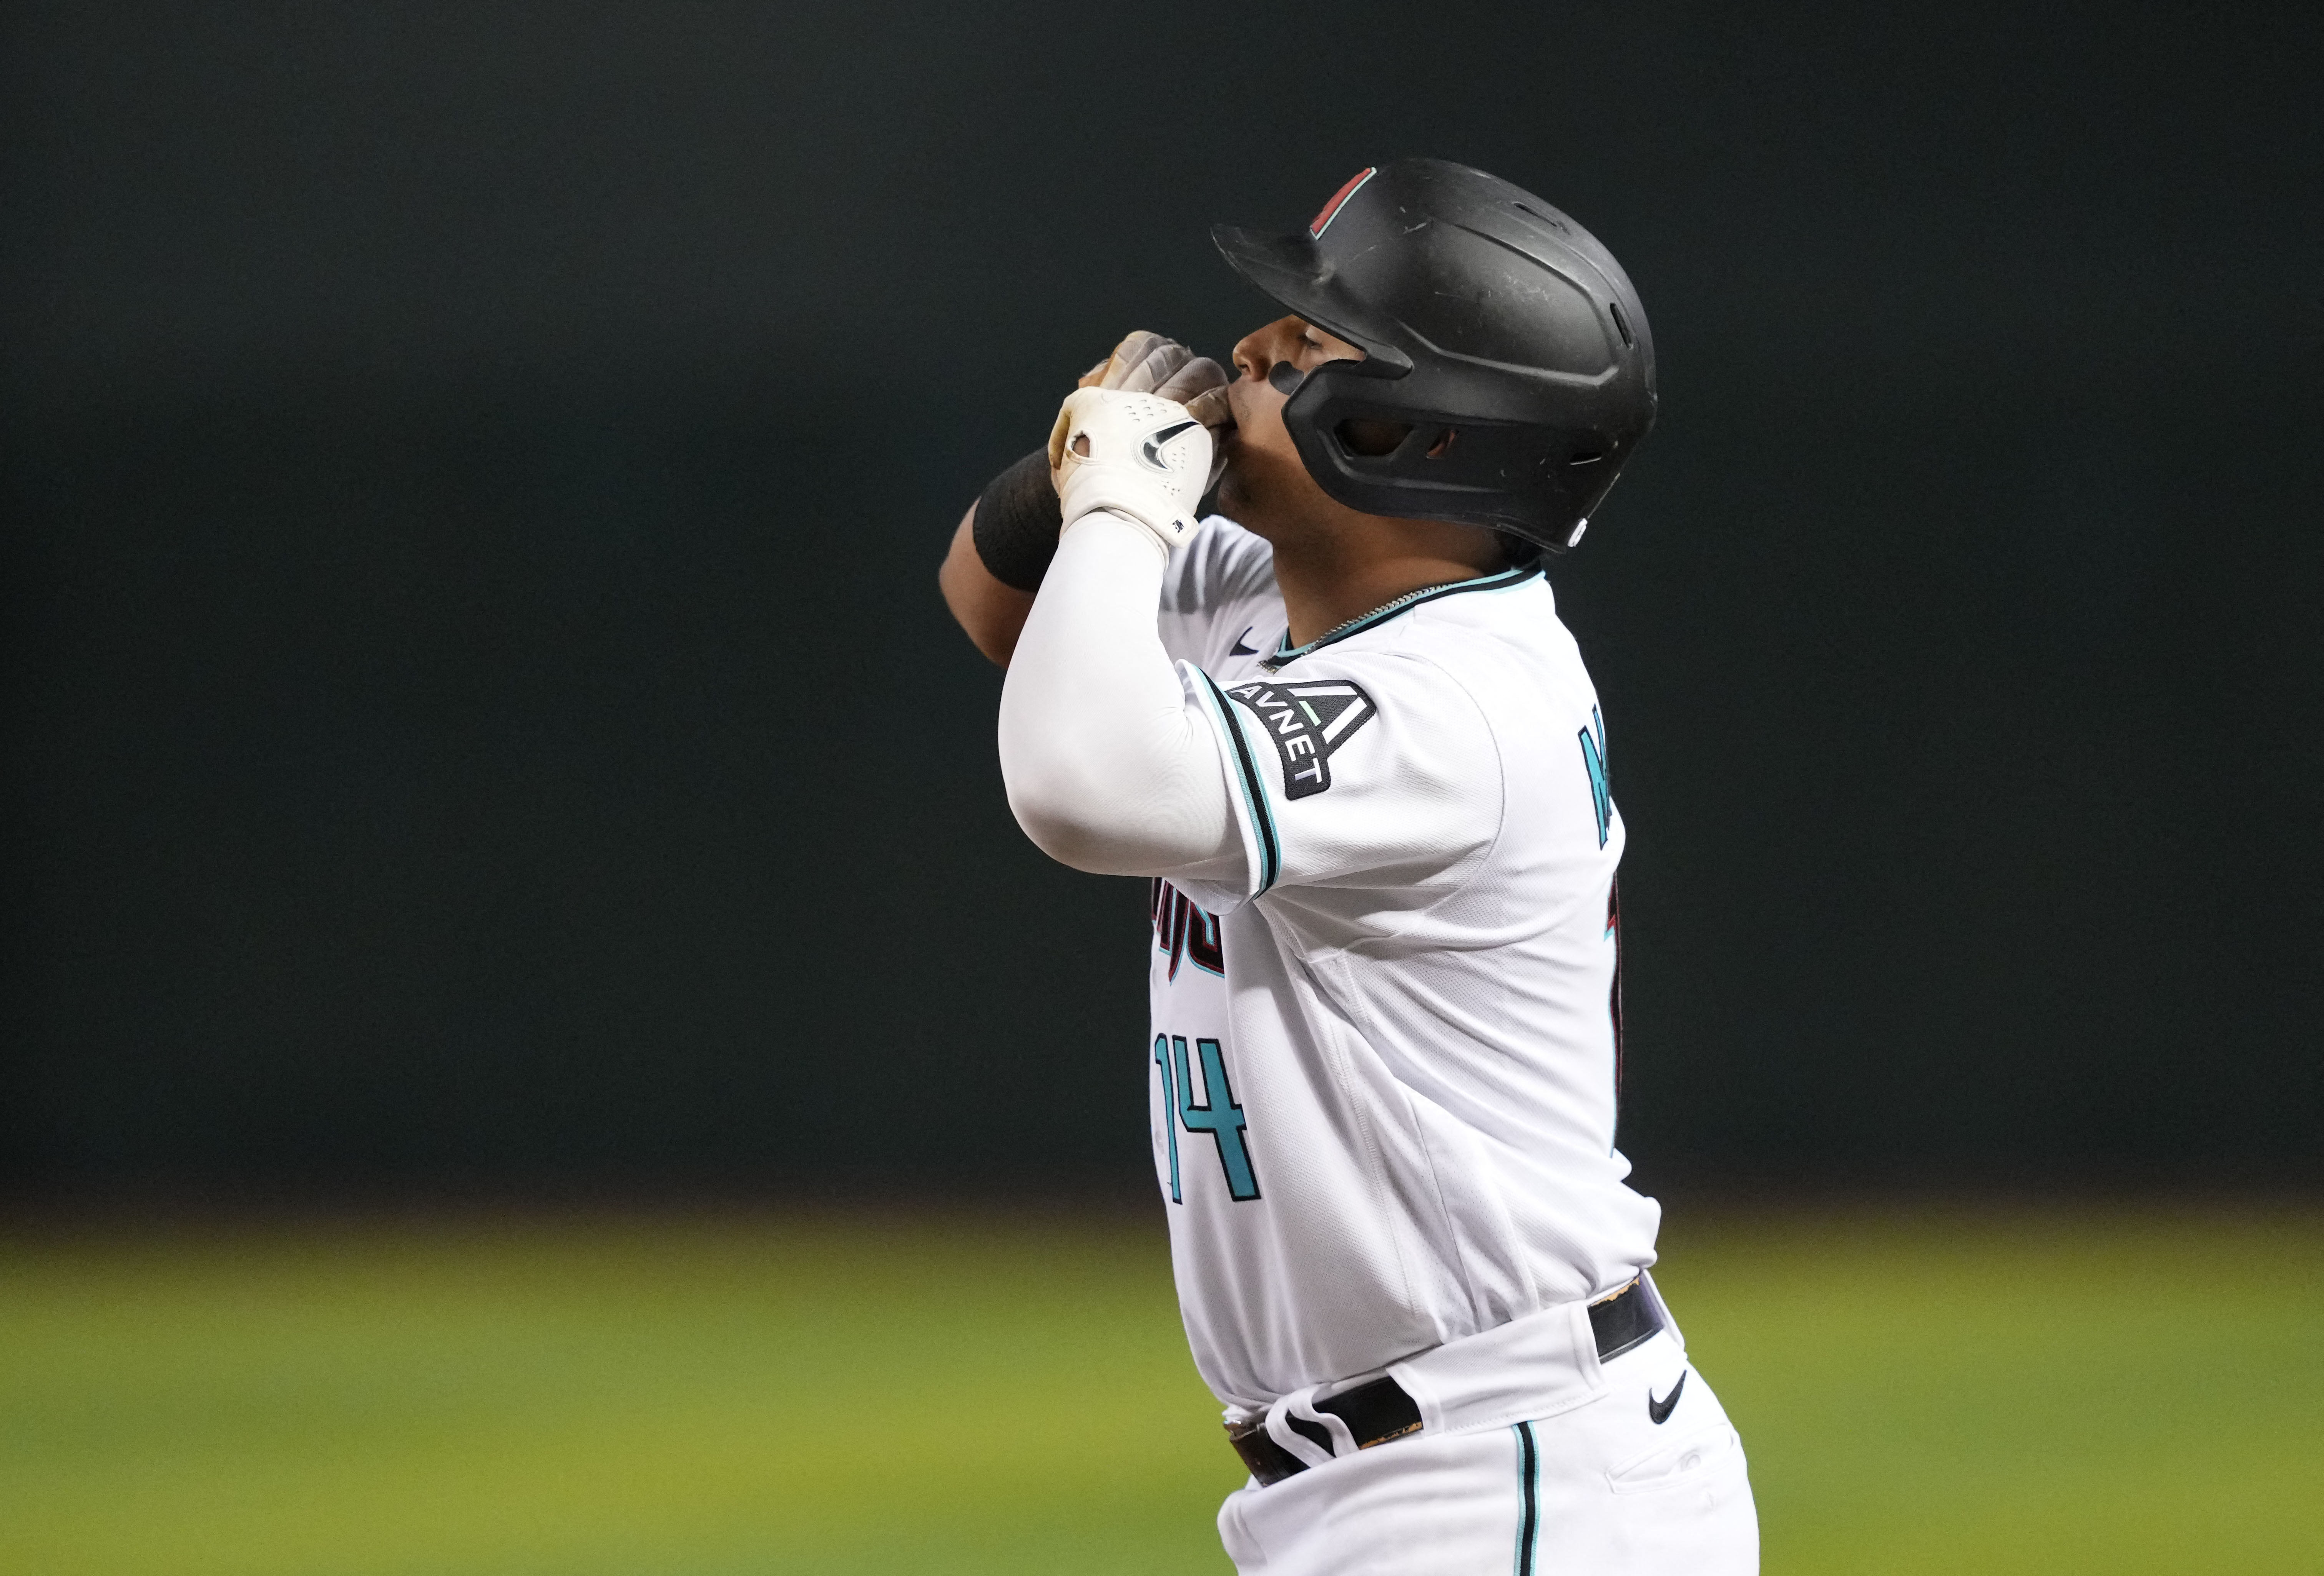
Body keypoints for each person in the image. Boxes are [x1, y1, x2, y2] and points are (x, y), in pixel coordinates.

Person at [939, 158, 1758, 1576]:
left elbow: (1071, 782)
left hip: (1500, 1476)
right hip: (1406, 1475)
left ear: (1423, 433)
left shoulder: (1459, 702)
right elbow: (994, 604)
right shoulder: (1295, 593)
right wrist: (1081, 473)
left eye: (1311, 341)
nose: (1251, 350)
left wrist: (1125, 506)